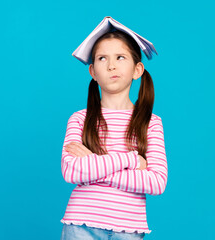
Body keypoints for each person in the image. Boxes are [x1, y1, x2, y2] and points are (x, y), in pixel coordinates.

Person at [60, 18, 168, 240]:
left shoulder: (151, 122)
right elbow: (71, 171)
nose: (111, 65)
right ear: (93, 71)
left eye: (120, 57)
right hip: (81, 223)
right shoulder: (79, 119)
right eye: (102, 58)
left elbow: (156, 182)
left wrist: (94, 167)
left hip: (128, 228)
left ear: (137, 69)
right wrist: (131, 161)